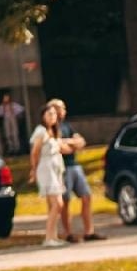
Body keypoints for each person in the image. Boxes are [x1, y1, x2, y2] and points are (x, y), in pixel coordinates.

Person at [50, 98, 103, 243]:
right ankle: (68, 233)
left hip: (75, 166)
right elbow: (61, 148)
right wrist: (71, 144)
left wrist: (68, 142)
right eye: (61, 108)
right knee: (65, 200)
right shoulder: (52, 128)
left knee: (86, 196)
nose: (64, 111)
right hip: (63, 167)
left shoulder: (67, 125)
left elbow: (81, 141)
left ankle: (89, 231)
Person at [28, 103, 67, 246]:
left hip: (56, 168)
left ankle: (53, 236)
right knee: (58, 203)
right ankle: (49, 238)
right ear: (43, 116)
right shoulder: (41, 131)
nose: (52, 117)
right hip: (46, 169)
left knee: (53, 206)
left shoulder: (53, 132)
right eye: (49, 114)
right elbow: (35, 152)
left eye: (54, 114)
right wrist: (33, 170)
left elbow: (62, 147)